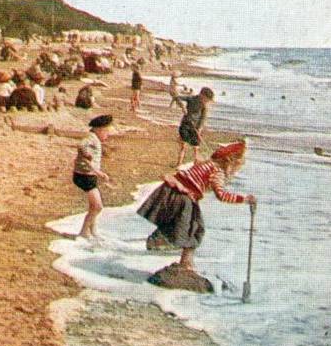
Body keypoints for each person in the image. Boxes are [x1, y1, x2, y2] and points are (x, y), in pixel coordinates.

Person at [138, 141, 255, 271]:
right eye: (237, 168)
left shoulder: (208, 164)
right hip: (182, 196)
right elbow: (221, 195)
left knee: (186, 226)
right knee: (195, 228)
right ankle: (184, 261)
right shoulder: (218, 172)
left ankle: (166, 246)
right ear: (230, 163)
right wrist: (244, 199)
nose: (235, 172)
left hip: (171, 190)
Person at [73, 115, 114, 239]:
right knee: (97, 206)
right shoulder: (91, 138)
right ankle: (84, 231)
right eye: (106, 132)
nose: (107, 135)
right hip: (84, 176)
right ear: (99, 129)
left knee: (93, 206)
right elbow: (81, 145)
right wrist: (87, 155)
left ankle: (92, 230)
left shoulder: (94, 138)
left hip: (89, 176)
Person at [177, 87, 215, 166]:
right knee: (183, 145)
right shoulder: (192, 99)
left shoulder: (204, 106)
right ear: (202, 95)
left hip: (195, 127)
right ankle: (179, 163)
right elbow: (178, 98)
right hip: (185, 124)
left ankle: (196, 162)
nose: (207, 101)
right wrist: (182, 107)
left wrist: (199, 128)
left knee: (195, 147)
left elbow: (203, 118)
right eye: (206, 99)